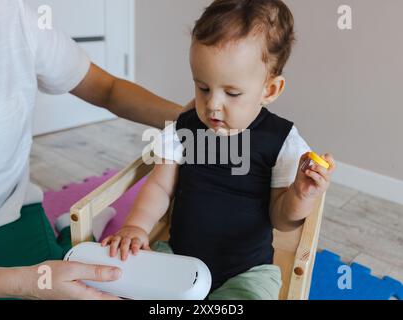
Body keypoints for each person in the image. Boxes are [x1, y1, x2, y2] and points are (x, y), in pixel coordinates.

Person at [103, 0, 336, 300]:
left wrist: (301, 195)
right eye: (202, 88)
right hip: (178, 258)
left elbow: (281, 218)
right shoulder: (184, 128)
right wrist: (135, 226)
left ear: (270, 90)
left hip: (247, 272)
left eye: (232, 92)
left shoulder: (282, 141)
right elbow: (161, 187)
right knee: (126, 288)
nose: (212, 104)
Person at [0, 0, 189, 299]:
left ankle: (76, 236)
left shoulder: (14, 16)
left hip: (6, 212)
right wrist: (26, 281)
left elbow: (106, 88)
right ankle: (77, 236)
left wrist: (192, 120)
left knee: (78, 284)